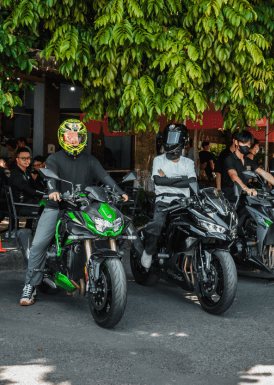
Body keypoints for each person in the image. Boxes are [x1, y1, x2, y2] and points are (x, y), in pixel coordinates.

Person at [19, 119, 130, 306]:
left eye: (77, 136)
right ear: (62, 138)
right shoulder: (54, 159)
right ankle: (30, 285)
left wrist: (120, 192)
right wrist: (53, 191)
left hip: (84, 206)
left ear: (82, 139)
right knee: (39, 245)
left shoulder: (90, 160)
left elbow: (104, 177)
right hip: (58, 206)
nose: (73, 140)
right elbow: (50, 178)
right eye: (69, 136)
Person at [140, 123, 197, 268]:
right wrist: (182, 179)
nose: (171, 141)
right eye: (169, 137)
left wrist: (168, 179)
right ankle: (148, 252)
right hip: (163, 200)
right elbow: (158, 181)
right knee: (157, 224)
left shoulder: (188, 162)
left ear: (183, 140)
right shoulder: (158, 160)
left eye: (175, 137)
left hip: (183, 202)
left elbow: (192, 182)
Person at [220, 130, 274, 200]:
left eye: (248, 144)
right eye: (243, 143)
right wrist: (246, 189)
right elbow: (233, 175)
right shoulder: (229, 159)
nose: (246, 146)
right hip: (229, 199)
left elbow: (265, 174)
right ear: (236, 142)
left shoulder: (248, 161)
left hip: (242, 198)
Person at [9, 149, 44, 229]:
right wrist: (45, 194)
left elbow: (35, 186)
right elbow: (29, 190)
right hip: (19, 206)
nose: (26, 160)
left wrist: (47, 191)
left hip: (27, 203)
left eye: (28, 158)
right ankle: (32, 230)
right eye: (23, 158)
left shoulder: (26, 172)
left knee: (44, 202)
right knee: (46, 207)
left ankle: (28, 229)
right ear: (17, 159)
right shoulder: (16, 174)